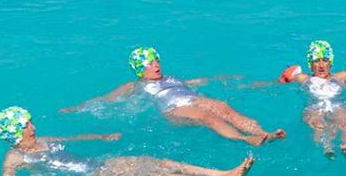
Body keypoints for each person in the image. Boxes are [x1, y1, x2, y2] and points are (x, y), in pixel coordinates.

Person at [0, 105, 254, 176]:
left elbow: (74, 138)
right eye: (26, 125)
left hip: (97, 165)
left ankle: (220, 174)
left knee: (154, 162)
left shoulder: (44, 140)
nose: (32, 127)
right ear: (14, 133)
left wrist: (101, 137)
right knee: (152, 171)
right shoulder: (15, 157)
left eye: (30, 122)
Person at [62, 47, 285, 144]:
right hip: (174, 110)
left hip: (190, 99)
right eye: (149, 63)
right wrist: (76, 108)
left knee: (222, 107)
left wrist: (223, 78)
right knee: (207, 117)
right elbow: (106, 99)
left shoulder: (171, 78)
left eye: (156, 61)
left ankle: (264, 134)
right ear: (140, 69)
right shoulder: (135, 86)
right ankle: (244, 139)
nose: (156, 65)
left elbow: (196, 82)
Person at [276, 39, 346, 157]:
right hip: (314, 107)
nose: (321, 65)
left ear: (330, 62)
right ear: (310, 65)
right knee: (317, 124)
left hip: (338, 105)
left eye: (325, 60)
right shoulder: (302, 78)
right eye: (316, 61)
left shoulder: (342, 76)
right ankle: (327, 147)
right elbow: (277, 84)